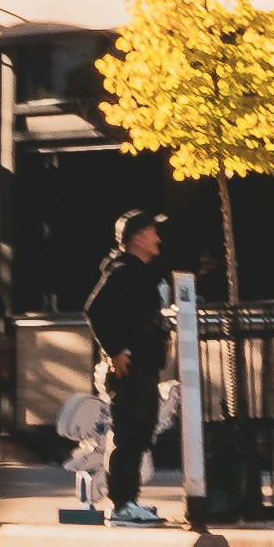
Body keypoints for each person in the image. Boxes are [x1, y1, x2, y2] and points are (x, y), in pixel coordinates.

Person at [78, 211, 177, 522]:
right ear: (135, 237)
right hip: (129, 370)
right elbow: (94, 309)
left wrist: (162, 335)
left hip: (145, 367)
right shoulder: (122, 270)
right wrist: (114, 350)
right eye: (152, 232)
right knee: (129, 435)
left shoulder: (142, 272)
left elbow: (140, 315)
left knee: (140, 434)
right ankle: (121, 505)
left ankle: (130, 500)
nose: (158, 238)